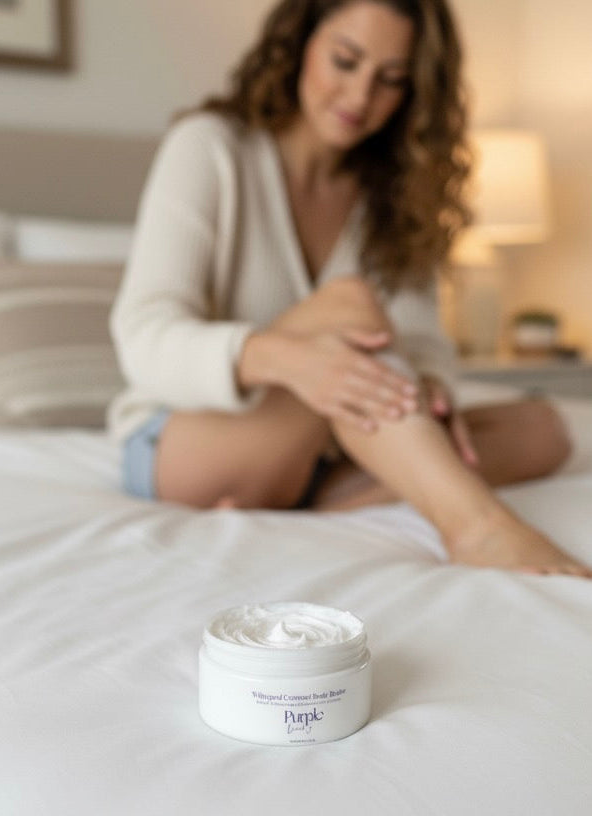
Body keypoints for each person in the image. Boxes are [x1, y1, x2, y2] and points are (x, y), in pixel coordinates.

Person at [108, 0, 591, 579]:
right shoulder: (210, 146)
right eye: (345, 60)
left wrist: (430, 389)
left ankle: (317, 505)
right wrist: (294, 363)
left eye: (392, 79)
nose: (361, 97)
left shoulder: (396, 190)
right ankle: (476, 525)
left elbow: (421, 340)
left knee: (545, 429)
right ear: (299, 42)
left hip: (316, 451)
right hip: (186, 438)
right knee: (351, 306)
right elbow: (144, 336)